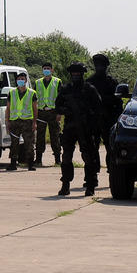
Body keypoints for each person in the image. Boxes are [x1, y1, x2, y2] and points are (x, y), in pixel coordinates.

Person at [55, 62, 102, 196]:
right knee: (66, 157)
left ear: (82, 74)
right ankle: (65, 185)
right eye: (73, 73)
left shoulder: (89, 89)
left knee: (89, 157)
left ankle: (90, 185)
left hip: (86, 128)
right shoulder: (66, 89)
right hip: (70, 127)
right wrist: (67, 110)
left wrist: (91, 122)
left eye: (78, 73)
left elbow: (98, 108)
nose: (75, 75)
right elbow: (57, 106)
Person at [86, 53, 123, 172]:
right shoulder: (89, 82)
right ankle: (94, 171)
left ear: (106, 67)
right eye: (97, 65)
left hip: (109, 118)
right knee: (93, 146)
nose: (99, 68)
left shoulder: (112, 82)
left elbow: (118, 102)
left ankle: (111, 168)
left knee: (110, 145)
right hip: (94, 119)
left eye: (101, 65)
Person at [5, 73, 37, 172]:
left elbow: (35, 108)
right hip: (14, 121)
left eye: (22, 79)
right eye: (19, 79)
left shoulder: (32, 93)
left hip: (27, 121)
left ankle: (30, 164)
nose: (20, 81)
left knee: (29, 143)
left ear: (26, 80)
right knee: (14, 143)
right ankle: (13, 164)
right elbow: (8, 108)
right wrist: (7, 121)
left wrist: (34, 122)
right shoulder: (12, 92)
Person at [33, 62, 62, 167]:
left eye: (48, 68)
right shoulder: (37, 82)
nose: (46, 70)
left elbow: (60, 99)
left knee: (55, 136)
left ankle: (58, 160)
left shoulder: (57, 81)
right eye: (44, 68)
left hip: (53, 112)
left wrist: (59, 113)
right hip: (41, 112)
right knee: (40, 137)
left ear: (52, 70)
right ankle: (38, 160)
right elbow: (34, 99)